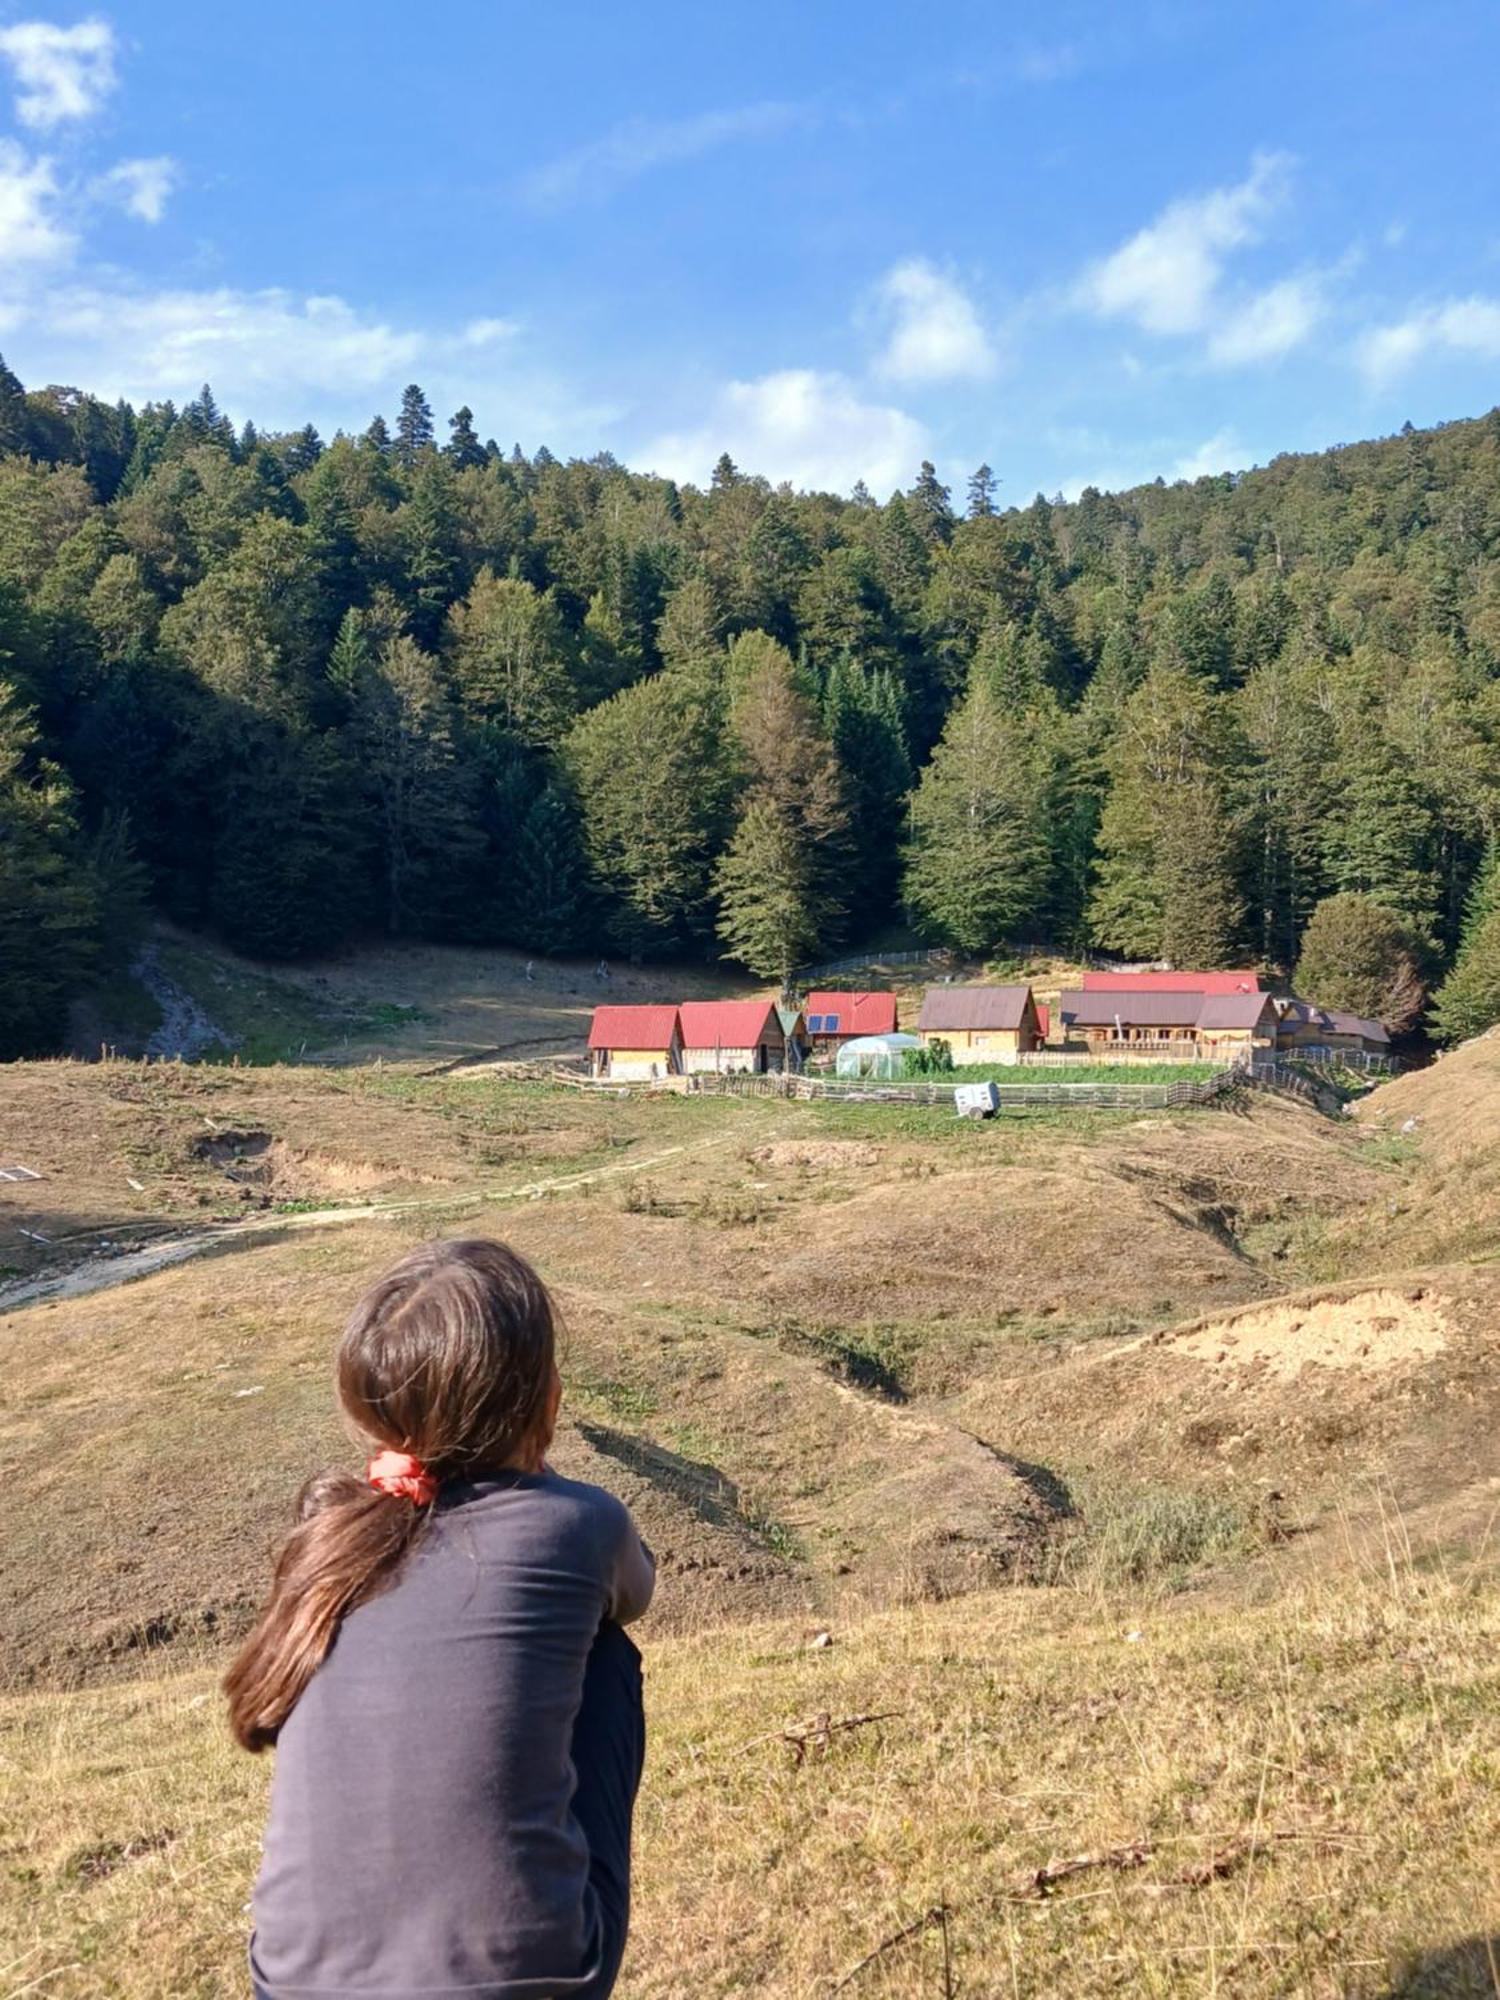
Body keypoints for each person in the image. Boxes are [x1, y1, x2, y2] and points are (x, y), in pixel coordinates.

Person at [225, 1238, 654, 2000]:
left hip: (289, 1982)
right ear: (544, 1397)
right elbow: (637, 1590)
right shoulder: (579, 1523)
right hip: (521, 1982)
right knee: (607, 1651)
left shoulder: (331, 1543)